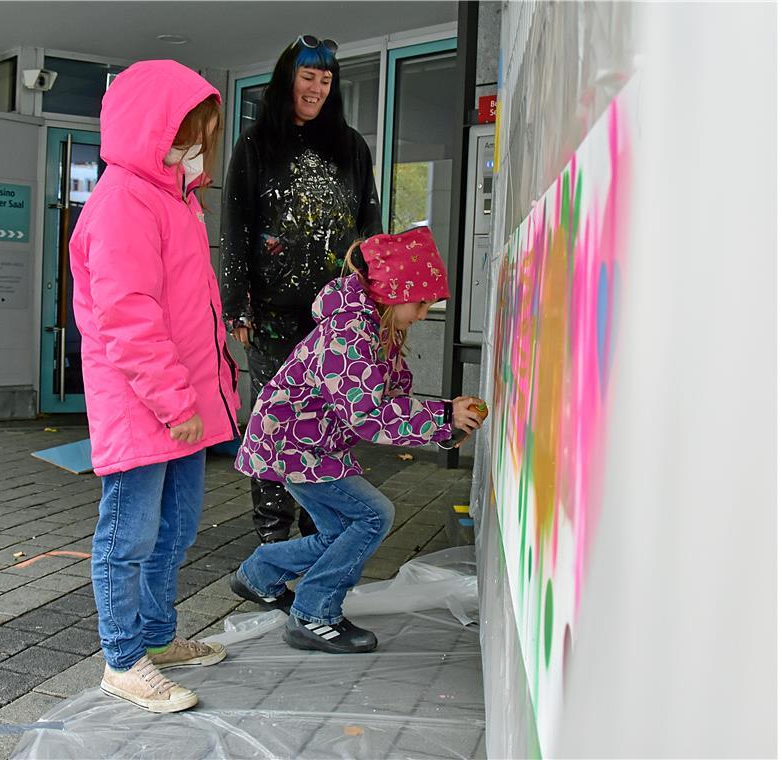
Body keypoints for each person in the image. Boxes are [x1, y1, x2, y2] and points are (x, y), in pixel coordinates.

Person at [68, 60, 240, 713]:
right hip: (146, 405)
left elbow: (196, 309)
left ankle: (158, 638)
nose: (201, 141)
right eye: (195, 128)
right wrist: (176, 401)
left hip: (181, 406)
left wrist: (201, 398)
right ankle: (122, 658)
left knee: (176, 528)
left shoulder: (175, 198)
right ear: (160, 127)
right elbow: (128, 315)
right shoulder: (123, 201)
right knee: (128, 532)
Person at [227, 227, 485, 653]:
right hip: (296, 445)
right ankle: (313, 614)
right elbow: (366, 414)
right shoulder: (349, 332)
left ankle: (259, 574)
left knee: (341, 531)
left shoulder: (375, 327)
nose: (424, 313)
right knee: (372, 516)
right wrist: (440, 418)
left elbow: (392, 397)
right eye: (421, 302)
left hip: (306, 443)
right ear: (393, 292)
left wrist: (444, 425)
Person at [220, 34, 383, 544]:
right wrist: (237, 306)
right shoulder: (256, 144)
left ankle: (321, 532)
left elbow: (370, 228)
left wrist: (377, 301)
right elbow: (236, 227)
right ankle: (273, 536)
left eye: (325, 79)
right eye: (307, 77)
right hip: (270, 315)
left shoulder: (351, 145)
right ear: (287, 80)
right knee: (274, 422)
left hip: (335, 316)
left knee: (330, 423)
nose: (316, 88)